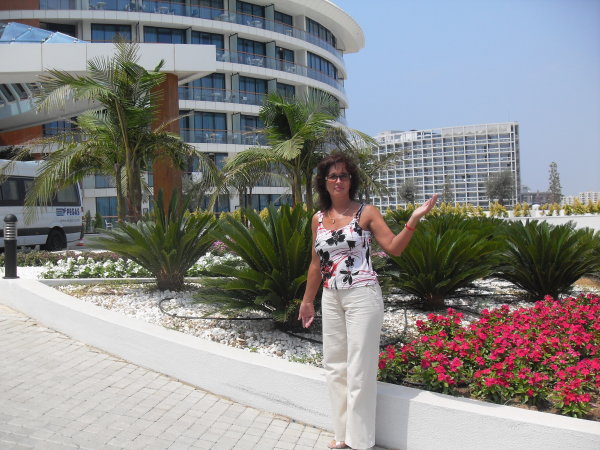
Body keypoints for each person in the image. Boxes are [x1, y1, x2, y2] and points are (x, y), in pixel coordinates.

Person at [298, 152, 437, 449]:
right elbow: (315, 263)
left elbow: (394, 248)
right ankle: (341, 435)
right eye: (333, 176)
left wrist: (413, 219)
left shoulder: (366, 212)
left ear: (351, 180)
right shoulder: (318, 219)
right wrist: (308, 301)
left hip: (362, 296)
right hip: (330, 296)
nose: (338, 181)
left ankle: (359, 441)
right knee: (335, 366)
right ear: (324, 182)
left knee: (360, 369)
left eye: (344, 176)